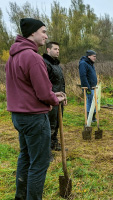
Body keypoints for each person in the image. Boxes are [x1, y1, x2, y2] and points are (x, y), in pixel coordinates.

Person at [6, 18, 66, 200]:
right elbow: (43, 93)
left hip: (18, 116)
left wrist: (52, 95)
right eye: (43, 32)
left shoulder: (13, 57)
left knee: (25, 156)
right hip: (34, 118)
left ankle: (21, 196)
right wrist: (55, 97)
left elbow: (25, 89)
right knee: (39, 163)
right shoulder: (33, 58)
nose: (46, 36)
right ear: (32, 33)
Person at [43, 41, 66, 151]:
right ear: (48, 50)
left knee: (57, 122)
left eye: (58, 50)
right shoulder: (45, 63)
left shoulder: (56, 64)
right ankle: (46, 149)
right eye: (55, 49)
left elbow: (61, 82)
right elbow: (44, 84)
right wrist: (49, 99)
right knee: (50, 124)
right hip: (51, 99)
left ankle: (54, 143)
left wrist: (64, 95)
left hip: (59, 98)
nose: (58, 51)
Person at [79, 50, 98, 122]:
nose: (95, 58)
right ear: (89, 56)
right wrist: (87, 87)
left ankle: (92, 117)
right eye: (94, 56)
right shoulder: (83, 63)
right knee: (91, 102)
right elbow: (83, 76)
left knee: (94, 102)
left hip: (93, 87)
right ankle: (89, 117)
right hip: (89, 87)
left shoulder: (90, 63)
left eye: (95, 56)